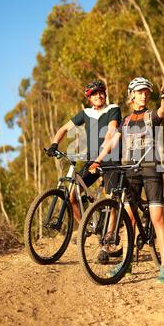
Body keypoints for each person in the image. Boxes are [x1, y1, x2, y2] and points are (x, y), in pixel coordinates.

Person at [89, 77, 164, 283]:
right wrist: (97, 161)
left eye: (146, 92)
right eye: (140, 92)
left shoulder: (151, 115)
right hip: (132, 172)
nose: (144, 95)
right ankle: (126, 265)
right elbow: (112, 142)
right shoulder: (125, 121)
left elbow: (162, 112)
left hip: (152, 169)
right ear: (132, 95)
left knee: (157, 218)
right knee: (129, 219)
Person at [46, 80, 121, 252]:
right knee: (73, 196)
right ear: (89, 98)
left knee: (110, 200)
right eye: (94, 94)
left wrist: (105, 147)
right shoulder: (86, 113)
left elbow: (111, 130)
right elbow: (64, 129)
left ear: (105, 93)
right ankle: (88, 228)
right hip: (92, 161)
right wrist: (54, 144)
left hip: (110, 159)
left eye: (101, 92)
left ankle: (109, 239)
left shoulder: (113, 109)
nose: (98, 96)